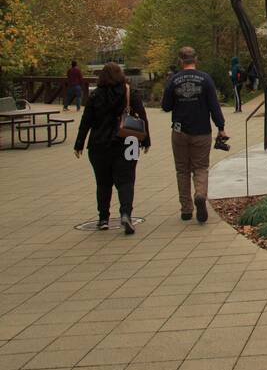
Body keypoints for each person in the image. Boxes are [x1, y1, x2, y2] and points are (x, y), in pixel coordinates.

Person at [73, 62, 149, 234]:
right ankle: (126, 214)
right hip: (127, 142)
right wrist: (146, 141)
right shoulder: (129, 92)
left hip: (99, 144)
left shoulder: (95, 96)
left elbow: (86, 122)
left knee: (103, 182)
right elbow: (142, 117)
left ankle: (103, 218)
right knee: (126, 180)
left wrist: (79, 144)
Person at [162, 46, 228, 223]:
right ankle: (200, 194)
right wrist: (220, 127)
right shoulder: (205, 79)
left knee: (182, 169)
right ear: (195, 59)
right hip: (202, 130)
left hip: (179, 130)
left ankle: (186, 208)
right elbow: (214, 105)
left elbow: (166, 106)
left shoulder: (174, 80)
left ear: (180, 60)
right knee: (200, 167)